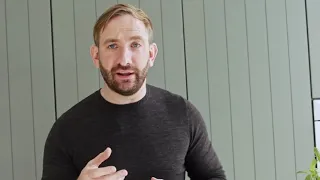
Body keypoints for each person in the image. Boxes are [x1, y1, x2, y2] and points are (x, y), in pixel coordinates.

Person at [41, 3, 226, 180]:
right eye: (112, 46)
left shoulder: (182, 114)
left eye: (135, 45)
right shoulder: (66, 130)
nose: (124, 59)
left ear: (151, 54)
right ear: (96, 56)